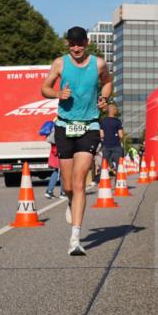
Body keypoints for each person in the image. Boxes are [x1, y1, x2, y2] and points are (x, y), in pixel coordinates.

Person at [41, 25, 112, 256]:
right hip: (64, 125)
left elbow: (108, 82)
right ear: (67, 44)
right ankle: (71, 202)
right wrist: (57, 94)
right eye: (72, 43)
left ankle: (75, 238)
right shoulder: (60, 63)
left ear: (87, 42)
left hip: (89, 125)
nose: (76, 47)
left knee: (80, 181)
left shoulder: (98, 63)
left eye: (80, 42)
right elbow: (44, 88)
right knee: (69, 185)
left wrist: (103, 97)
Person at [100, 103, 125, 175]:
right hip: (116, 145)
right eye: (116, 109)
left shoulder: (103, 121)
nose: (117, 111)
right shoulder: (118, 121)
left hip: (106, 145)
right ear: (113, 110)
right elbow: (121, 135)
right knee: (119, 165)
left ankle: (102, 181)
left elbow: (101, 135)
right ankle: (118, 182)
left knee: (104, 164)